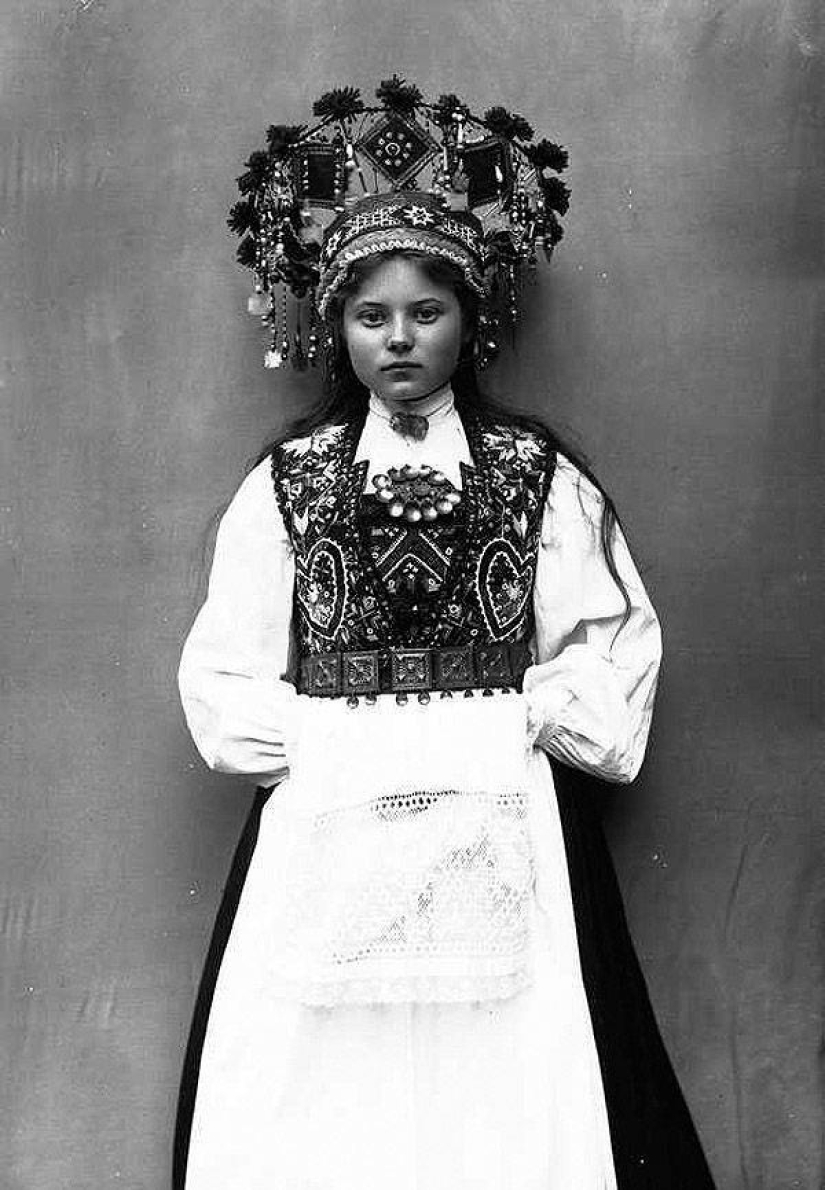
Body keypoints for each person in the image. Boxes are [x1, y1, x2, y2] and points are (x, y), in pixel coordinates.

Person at [174, 83, 716, 1189]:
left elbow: (609, 643)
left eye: (426, 312)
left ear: (470, 318)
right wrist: (322, 744)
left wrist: (529, 713)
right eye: (372, 317)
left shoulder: (533, 478)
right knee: (326, 1097)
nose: (400, 338)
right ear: (335, 325)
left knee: (515, 1086)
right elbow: (226, 667)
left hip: (500, 812)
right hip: (333, 824)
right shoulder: (291, 485)